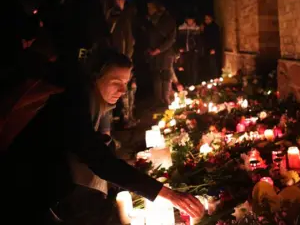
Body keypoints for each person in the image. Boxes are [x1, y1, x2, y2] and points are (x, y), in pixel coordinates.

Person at [1, 50, 204, 224]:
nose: (123, 90)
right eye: (116, 82)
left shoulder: (88, 99)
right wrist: (168, 195)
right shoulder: (73, 101)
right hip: (25, 184)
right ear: (95, 78)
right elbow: (98, 160)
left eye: (126, 83)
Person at [106, 0, 138, 128]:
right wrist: (128, 60)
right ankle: (126, 118)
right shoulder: (121, 17)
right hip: (121, 60)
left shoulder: (104, 16)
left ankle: (110, 124)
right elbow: (128, 40)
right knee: (126, 90)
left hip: (107, 61)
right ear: (119, 0)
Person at [145, 0, 177, 108]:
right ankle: (158, 100)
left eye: (151, 7)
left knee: (166, 75)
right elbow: (147, 35)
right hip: (153, 53)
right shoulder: (149, 21)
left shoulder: (167, 20)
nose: (149, 10)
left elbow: (170, 39)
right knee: (156, 76)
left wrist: (159, 49)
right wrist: (149, 48)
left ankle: (166, 99)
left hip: (165, 53)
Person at [177, 16, 201, 85]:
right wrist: (180, 47)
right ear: (186, 20)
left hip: (194, 51)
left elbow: (199, 40)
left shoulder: (196, 28)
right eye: (189, 19)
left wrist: (197, 49)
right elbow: (179, 39)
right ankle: (188, 82)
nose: (190, 21)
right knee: (187, 67)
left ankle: (194, 83)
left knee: (194, 67)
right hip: (184, 51)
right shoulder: (181, 28)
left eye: (191, 19)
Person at [202, 14, 222, 79]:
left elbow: (216, 38)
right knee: (210, 64)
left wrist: (214, 48)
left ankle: (216, 78)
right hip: (207, 48)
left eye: (208, 19)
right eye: (205, 19)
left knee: (214, 63)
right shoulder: (206, 27)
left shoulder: (214, 27)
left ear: (211, 19)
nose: (206, 20)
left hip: (213, 48)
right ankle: (212, 77)